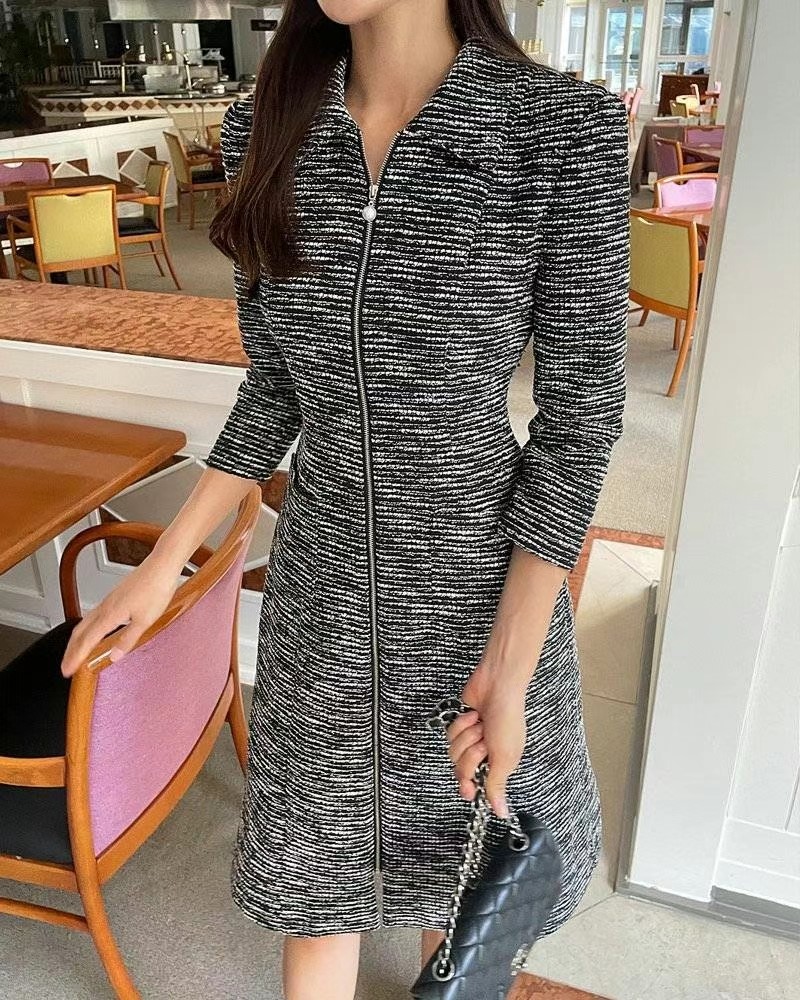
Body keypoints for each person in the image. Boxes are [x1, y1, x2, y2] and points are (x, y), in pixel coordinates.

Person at [61, 1, 630, 997]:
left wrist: (509, 665)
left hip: (479, 588)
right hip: (322, 591)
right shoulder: (268, 123)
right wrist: (164, 567)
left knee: (465, 886)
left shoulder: (553, 129)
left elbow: (579, 422)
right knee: (317, 877)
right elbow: (275, 386)